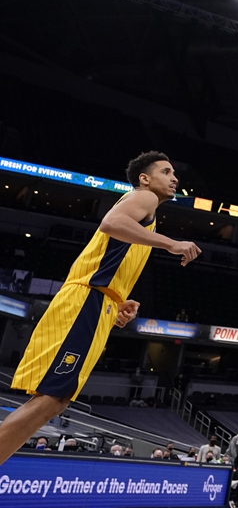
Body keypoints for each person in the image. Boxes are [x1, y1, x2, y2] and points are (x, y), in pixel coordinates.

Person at [0, 152, 200, 465]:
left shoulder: (146, 213)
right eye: (166, 171)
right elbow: (111, 223)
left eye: (174, 173)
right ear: (145, 179)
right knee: (52, 397)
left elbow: (111, 252)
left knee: (56, 401)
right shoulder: (144, 197)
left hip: (96, 302)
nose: (174, 178)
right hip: (85, 300)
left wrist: (118, 301)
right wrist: (171, 244)